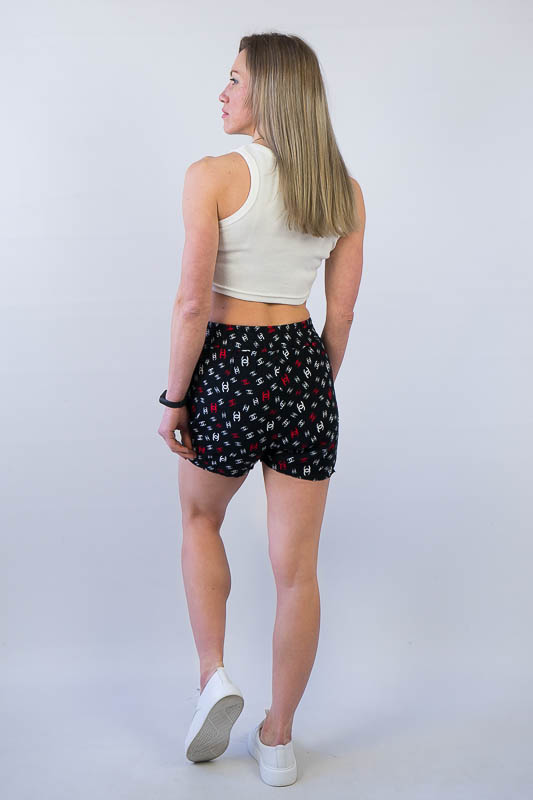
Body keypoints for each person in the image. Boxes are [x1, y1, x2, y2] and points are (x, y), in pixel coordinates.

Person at [157, 32, 365, 785]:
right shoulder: (342, 190)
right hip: (303, 364)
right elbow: (342, 316)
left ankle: (213, 676)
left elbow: (191, 305)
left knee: (198, 517)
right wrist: (311, 386)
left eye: (236, 79)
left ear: (269, 91)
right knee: (297, 569)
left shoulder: (212, 176)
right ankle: (278, 740)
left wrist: (176, 398)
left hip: (228, 365)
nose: (224, 91)